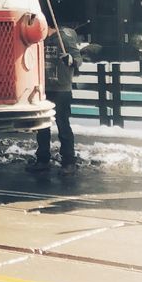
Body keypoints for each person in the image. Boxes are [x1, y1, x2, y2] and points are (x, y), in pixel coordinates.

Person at [34, 19, 82, 172]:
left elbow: (78, 60)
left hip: (61, 89)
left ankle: (69, 161)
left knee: (62, 125)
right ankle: (42, 159)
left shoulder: (65, 37)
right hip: (45, 87)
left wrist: (71, 60)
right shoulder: (40, 39)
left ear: (48, 25)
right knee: (42, 126)